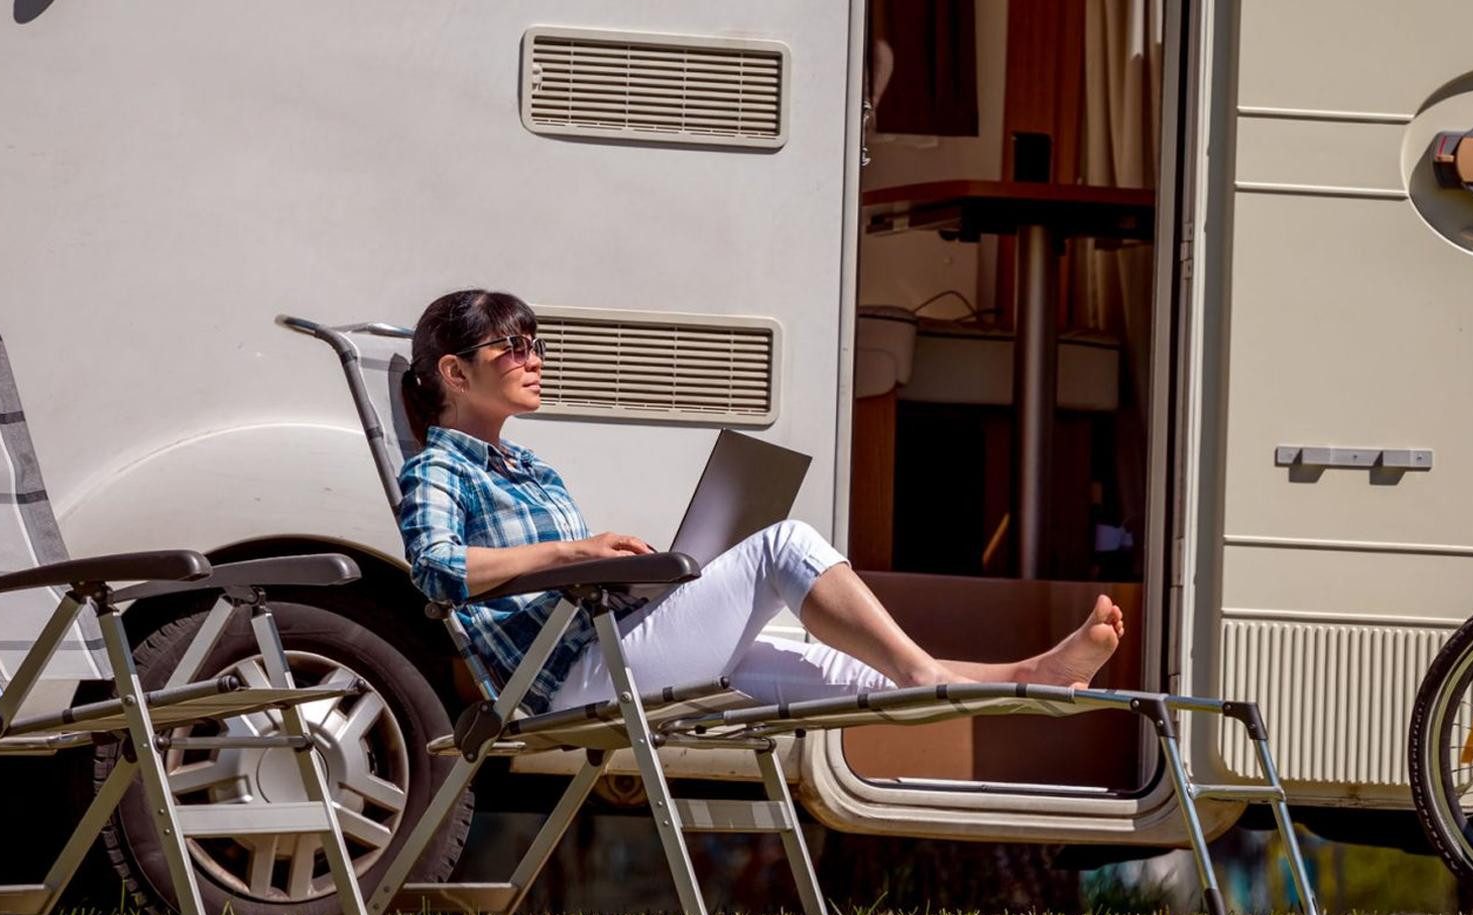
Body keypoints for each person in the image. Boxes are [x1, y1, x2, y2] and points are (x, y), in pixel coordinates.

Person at [397, 288, 1124, 716]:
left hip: (609, 647)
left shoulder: (531, 468)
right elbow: (432, 569)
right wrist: (572, 552)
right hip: (564, 686)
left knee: (846, 677)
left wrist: (630, 573)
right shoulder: (440, 468)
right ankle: (941, 672)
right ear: (456, 372)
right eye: (510, 347)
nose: (532, 358)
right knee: (783, 543)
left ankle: (1028, 678)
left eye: (536, 343)